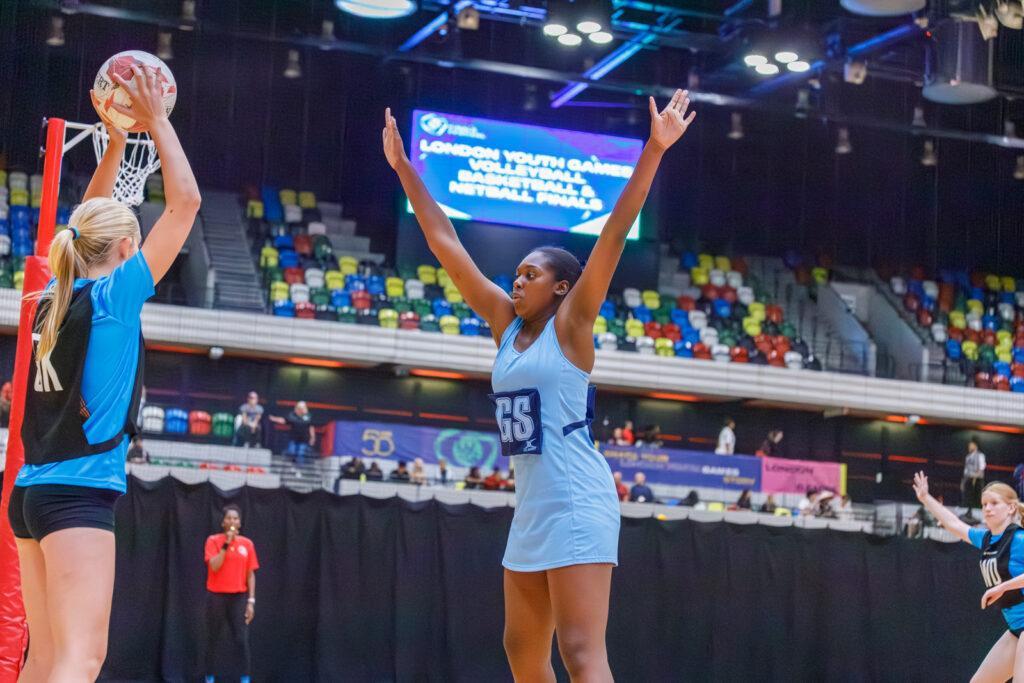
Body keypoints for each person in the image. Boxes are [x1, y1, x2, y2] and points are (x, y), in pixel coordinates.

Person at [383, 88, 696, 680]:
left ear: (560, 287)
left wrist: (653, 150)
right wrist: (405, 169)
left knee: (581, 652)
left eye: (531, 274)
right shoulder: (505, 324)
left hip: (577, 496)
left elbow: (613, 234)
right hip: (532, 501)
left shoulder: (573, 326)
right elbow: (445, 244)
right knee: (522, 650)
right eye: (516, 273)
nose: (517, 280)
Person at [6, 66, 200, 680]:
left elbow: (83, 222)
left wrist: (116, 141)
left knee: (44, 659)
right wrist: (158, 121)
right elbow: (187, 202)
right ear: (124, 251)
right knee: (81, 659)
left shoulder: (47, 299)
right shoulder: (116, 296)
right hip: (75, 493)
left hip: (29, 497)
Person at [912, 473, 1024, 680]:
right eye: (984, 504)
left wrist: (1002, 587)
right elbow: (954, 525)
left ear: (1011, 508)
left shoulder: (1019, 538)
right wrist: (925, 498)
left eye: (994, 503)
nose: (987, 508)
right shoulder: (988, 539)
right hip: (1016, 627)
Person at [204, 505, 259, 683]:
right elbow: (214, 565)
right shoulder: (213, 540)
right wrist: (226, 544)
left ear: (240, 523)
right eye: (229, 518)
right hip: (216, 596)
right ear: (223, 522)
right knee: (212, 639)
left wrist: (251, 601)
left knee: (241, 640)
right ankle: (209, 677)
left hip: (238, 597)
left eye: (235, 519)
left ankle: (245, 679)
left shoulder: (247, 544)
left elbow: (250, 574)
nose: (232, 521)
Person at [269, 401, 315, 468]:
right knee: (291, 451)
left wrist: (312, 437)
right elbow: (284, 420)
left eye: (302, 408)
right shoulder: (292, 415)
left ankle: (299, 468)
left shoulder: (308, 416)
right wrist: (274, 419)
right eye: (298, 408)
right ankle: (291, 464)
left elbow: (311, 427)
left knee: (300, 453)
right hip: (293, 438)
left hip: (303, 440)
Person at [962, 439, 987, 520]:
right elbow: (966, 469)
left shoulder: (980, 455)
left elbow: (982, 467)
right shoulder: (968, 456)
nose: (969, 447)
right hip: (968, 478)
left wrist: (976, 476)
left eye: (971, 445)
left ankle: (979, 514)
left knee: (977, 495)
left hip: (977, 479)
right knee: (968, 495)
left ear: (975, 446)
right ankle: (969, 511)